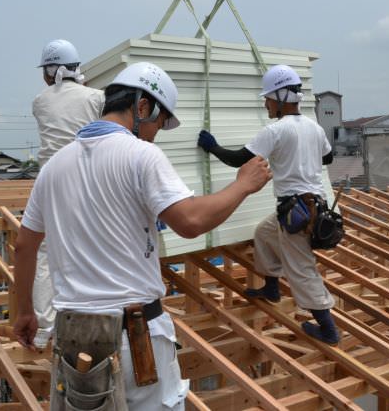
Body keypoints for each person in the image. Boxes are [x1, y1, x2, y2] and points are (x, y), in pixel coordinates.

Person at [14, 62, 272, 410]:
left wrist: (25, 312)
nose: (156, 132)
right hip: (132, 337)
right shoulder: (141, 155)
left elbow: (24, 245)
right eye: (160, 122)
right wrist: (243, 186)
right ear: (142, 106)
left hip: (72, 338)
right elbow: (190, 221)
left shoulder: (54, 167)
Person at [196, 64, 339, 345]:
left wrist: (211, 146)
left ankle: (328, 330)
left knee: (301, 269)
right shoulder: (313, 127)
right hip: (312, 207)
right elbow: (328, 159)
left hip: (297, 212)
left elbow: (238, 160)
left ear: (282, 97)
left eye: (268, 98)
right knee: (264, 233)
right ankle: (272, 287)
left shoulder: (276, 131)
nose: (266, 104)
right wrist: (299, 158)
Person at [30, 39, 105, 346]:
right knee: (90, 246)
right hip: (85, 182)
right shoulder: (97, 97)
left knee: (47, 255)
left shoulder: (40, 101)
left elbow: (60, 108)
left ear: (49, 70)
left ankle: (44, 331)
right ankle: (92, 319)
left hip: (49, 182)